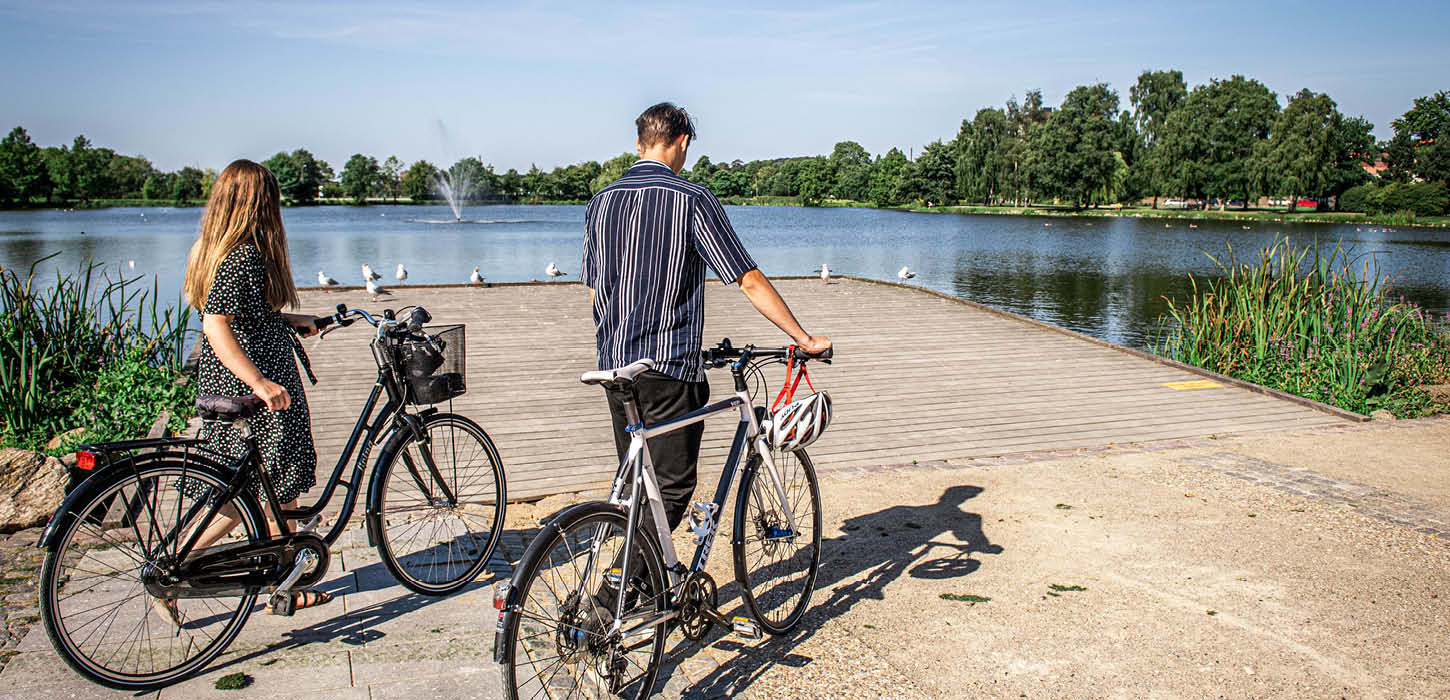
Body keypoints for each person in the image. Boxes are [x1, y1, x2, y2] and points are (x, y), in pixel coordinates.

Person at [582, 102, 831, 534]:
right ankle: (614, 595)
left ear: (638, 143)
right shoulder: (691, 199)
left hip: (613, 366)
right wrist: (803, 338)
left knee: (640, 486)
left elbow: (593, 290)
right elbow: (747, 279)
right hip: (668, 368)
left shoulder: (600, 203)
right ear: (681, 142)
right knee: (673, 490)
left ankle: (644, 591)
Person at [168, 159, 331, 623]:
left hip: (233, 381)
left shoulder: (211, 248)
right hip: (254, 388)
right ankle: (176, 564)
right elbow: (216, 323)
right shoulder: (244, 254)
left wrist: (286, 320)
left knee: (270, 485)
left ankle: (285, 585)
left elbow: (236, 314)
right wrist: (260, 383)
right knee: (255, 491)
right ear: (259, 204)